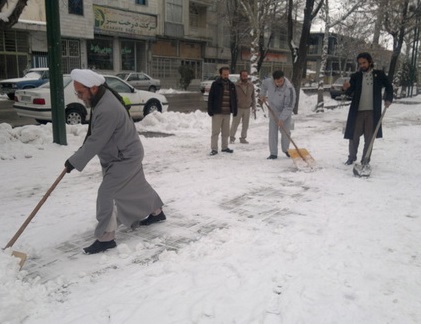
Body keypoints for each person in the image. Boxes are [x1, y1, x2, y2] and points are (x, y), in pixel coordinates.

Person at [64, 69, 166, 255]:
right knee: (137, 186)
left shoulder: (106, 107)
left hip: (125, 157)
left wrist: (74, 161)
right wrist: (77, 156)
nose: (79, 97)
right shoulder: (102, 98)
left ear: (93, 88)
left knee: (107, 193)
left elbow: (96, 141)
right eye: (77, 92)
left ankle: (106, 238)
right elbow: (94, 136)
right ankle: (157, 212)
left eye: (80, 92)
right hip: (124, 152)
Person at [342, 52, 393, 165]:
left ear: (370, 62)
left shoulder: (379, 75)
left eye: (364, 62)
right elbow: (350, 92)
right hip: (358, 111)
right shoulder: (356, 76)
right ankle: (351, 157)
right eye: (360, 63)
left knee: (369, 137)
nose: (362, 65)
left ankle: (365, 159)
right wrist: (346, 88)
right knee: (353, 136)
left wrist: (388, 99)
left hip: (372, 112)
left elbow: (389, 86)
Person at [260, 70, 296, 159]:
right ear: (273, 80)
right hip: (273, 111)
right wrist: (262, 94)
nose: (279, 83)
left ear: (283, 78)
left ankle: (286, 150)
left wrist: (282, 118)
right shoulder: (269, 81)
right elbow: (263, 85)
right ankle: (273, 153)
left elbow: (289, 106)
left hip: (285, 112)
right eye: (277, 81)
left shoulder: (289, 89)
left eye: (281, 81)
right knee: (272, 133)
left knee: (285, 132)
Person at [207, 66, 238, 155]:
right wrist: (210, 110)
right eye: (224, 74)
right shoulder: (215, 84)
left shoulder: (231, 85)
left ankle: (224, 147)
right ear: (220, 74)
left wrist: (234, 110)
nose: (226, 76)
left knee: (226, 132)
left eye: (227, 74)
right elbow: (211, 98)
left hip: (227, 112)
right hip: (217, 112)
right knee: (215, 132)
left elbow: (234, 98)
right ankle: (214, 149)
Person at [230, 70, 256, 144]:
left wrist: (253, 106)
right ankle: (232, 138)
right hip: (238, 107)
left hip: (247, 108)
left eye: (246, 75)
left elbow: (253, 96)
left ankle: (243, 138)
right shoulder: (236, 85)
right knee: (235, 124)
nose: (245, 77)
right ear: (240, 76)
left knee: (245, 125)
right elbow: (232, 97)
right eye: (243, 75)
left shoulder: (251, 85)